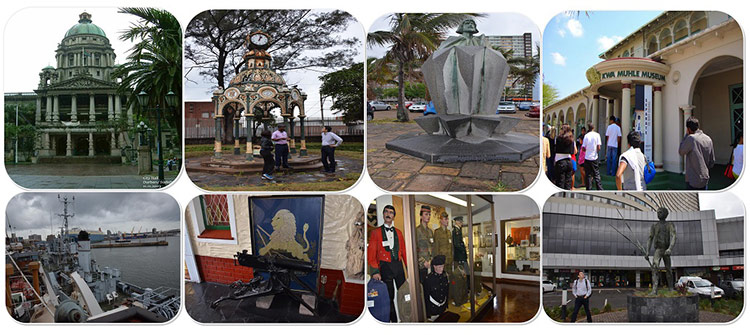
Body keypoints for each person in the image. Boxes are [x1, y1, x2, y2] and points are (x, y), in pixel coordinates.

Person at [367, 205, 407, 323]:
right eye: (386, 212)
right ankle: (393, 321)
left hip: (398, 266)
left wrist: (409, 268)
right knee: (389, 296)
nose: (388, 214)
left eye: (391, 212)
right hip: (385, 267)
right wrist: (374, 271)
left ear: (394, 216)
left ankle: (406, 317)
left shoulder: (399, 233)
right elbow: (371, 255)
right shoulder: (375, 232)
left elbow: (404, 251)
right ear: (383, 214)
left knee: (404, 293)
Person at [679, 117, 715, 190]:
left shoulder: (691, 139)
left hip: (693, 179)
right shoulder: (708, 139)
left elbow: (681, 151)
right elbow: (712, 161)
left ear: (688, 129)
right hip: (705, 178)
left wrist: (686, 136)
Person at [424, 255, 449, 319]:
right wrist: (428, 313)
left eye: (443, 266)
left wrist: (446, 305)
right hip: (433, 309)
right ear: (434, 266)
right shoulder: (428, 279)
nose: (442, 269)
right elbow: (426, 297)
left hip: (443, 307)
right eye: (440, 267)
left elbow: (446, 292)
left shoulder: (445, 275)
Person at [450, 216, 468, 306]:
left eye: (461, 221)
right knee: (459, 279)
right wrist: (463, 249)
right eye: (460, 221)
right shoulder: (456, 231)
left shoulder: (458, 230)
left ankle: (464, 297)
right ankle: (459, 298)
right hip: (459, 257)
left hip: (461, 257)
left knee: (464, 277)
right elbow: (457, 244)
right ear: (456, 222)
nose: (461, 223)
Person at [553, 124, 577, 189]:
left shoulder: (558, 138)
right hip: (569, 161)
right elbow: (574, 152)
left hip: (560, 162)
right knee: (568, 183)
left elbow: (555, 149)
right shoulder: (571, 139)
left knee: (560, 182)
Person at [581, 121, 603, 190]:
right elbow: (599, 147)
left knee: (588, 174)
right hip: (594, 157)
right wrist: (595, 150)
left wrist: (587, 149)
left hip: (587, 157)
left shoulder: (586, 136)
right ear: (593, 127)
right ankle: (599, 188)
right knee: (596, 173)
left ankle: (588, 188)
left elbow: (583, 147)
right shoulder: (597, 135)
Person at [416, 205, 434, 281]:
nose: (428, 216)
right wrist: (423, 262)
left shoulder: (430, 231)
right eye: (426, 214)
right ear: (421, 216)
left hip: (430, 263)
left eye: (429, 214)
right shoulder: (417, 230)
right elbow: (414, 249)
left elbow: (432, 247)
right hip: (422, 265)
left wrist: (431, 260)